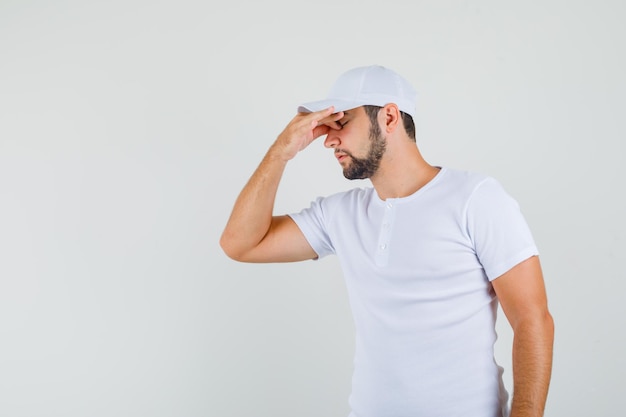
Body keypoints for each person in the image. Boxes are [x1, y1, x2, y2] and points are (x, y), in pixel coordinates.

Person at [220, 65, 554, 417]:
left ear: (390, 117)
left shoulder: (475, 198)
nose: (329, 139)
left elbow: (532, 320)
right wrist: (280, 152)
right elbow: (241, 244)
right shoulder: (340, 215)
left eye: (342, 122)